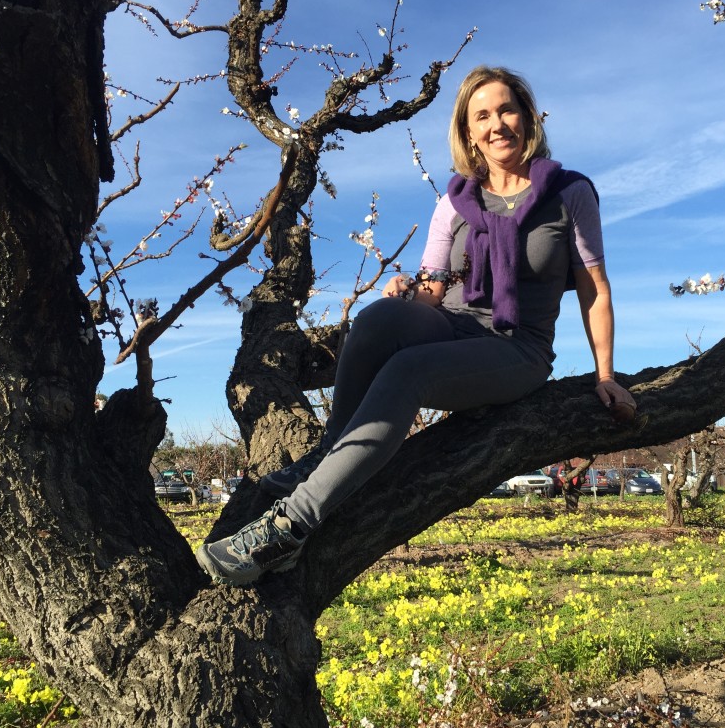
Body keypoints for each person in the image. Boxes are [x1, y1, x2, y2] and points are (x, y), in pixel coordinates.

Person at [196, 65, 637, 585]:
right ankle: (331, 451)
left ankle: (289, 529)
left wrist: (605, 375)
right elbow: (431, 291)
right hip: (451, 327)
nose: (497, 123)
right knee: (377, 318)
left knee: (407, 371)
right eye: (482, 115)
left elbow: (595, 290)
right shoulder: (453, 202)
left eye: (506, 109)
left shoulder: (569, 193)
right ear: (468, 132)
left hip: (516, 349)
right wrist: (405, 289)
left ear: (527, 117)